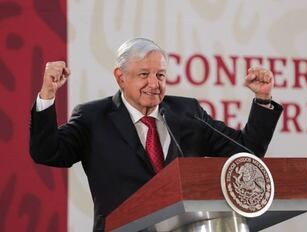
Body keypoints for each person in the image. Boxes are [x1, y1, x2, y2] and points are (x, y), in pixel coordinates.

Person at [29, 38, 283, 231]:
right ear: (120, 77)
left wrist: (263, 99)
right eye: (144, 75)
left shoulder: (187, 112)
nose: (154, 83)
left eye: (160, 75)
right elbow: (47, 152)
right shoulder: (93, 117)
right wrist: (48, 95)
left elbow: (247, 152)